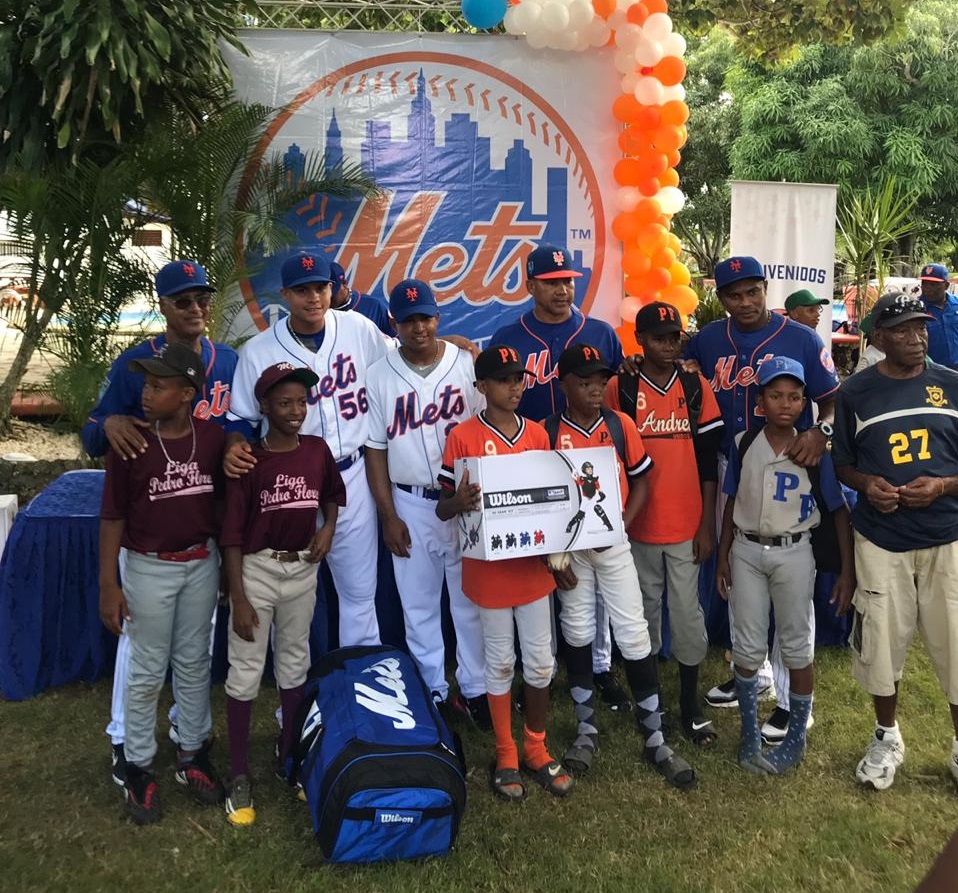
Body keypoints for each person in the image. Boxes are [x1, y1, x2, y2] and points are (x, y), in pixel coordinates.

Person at [83, 259, 237, 788]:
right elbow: (93, 434)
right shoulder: (138, 362)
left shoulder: (231, 361)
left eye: (202, 299)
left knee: (195, 655)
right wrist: (112, 421)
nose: (196, 309)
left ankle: (190, 743)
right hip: (148, 544)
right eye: (183, 301)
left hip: (201, 541)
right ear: (164, 306)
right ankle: (129, 747)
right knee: (143, 655)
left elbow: (245, 430)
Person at [686, 255, 839, 743]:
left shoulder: (801, 336)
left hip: (792, 456)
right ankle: (752, 669)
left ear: (765, 289)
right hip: (736, 458)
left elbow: (832, 400)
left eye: (753, 291)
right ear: (721, 298)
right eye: (734, 294)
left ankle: (791, 694)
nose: (745, 302)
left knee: (790, 574)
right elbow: (678, 366)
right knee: (741, 564)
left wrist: (822, 432)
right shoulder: (709, 339)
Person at [545, 343, 696, 789]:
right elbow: (541, 499)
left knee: (632, 630)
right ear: (564, 384)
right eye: (584, 381)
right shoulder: (548, 430)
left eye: (600, 381)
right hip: (571, 550)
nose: (595, 389)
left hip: (612, 545)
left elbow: (642, 482)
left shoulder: (619, 423)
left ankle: (654, 734)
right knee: (576, 628)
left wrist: (620, 527)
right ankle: (586, 729)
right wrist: (553, 555)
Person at [225, 251, 389, 649]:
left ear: (332, 289)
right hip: (288, 482)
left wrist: (448, 345)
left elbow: (400, 364)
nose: (313, 297)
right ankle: (293, 694)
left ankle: (358, 682)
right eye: (302, 291)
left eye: (321, 287)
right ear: (285, 295)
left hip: (351, 475)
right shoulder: (259, 350)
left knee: (359, 593)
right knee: (289, 595)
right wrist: (233, 445)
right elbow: (240, 419)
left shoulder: (360, 329)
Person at [491, 243, 628, 709]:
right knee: (541, 568)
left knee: (593, 564)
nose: (563, 289)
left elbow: (616, 402)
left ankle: (601, 666)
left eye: (568, 280)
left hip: (590, 461)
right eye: (551, 283)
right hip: (533, 460)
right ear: (530, 286)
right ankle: (542, 665)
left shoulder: (602, 333)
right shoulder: (510, 335)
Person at [832, 292, 958, 792]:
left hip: (947, 536)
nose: (917, 336)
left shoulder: (952, 385)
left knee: (954, 641)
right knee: (881, 643)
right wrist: (867, 486)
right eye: (903, 329)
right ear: (878, 338)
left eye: (921, 327)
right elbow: (842, 461)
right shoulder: (856, 392)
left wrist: (944, 486)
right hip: (882, 538)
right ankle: (887, 736)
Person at [437, 345, 573, 801]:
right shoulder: (462, 437)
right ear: (482, 387)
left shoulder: (536, 434)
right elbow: (442, 506)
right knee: (499, 661)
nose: (515, 387)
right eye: (504, 380)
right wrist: (461, 502)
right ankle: (505, 750)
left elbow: (551, 504)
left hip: (531, 568)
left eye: (519, 379)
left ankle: (536, 745)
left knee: (539, 661)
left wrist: (559, 557)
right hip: (490, 570)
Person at [98, 343, 226, 824]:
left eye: (158, 386)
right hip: (149, 565)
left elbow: (223, 503)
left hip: (201, 561)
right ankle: (136, 764)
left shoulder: (212, 440)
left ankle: (192, 752)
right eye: (146, 385)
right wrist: (108, 585)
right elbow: (112, 517)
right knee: (148, 667)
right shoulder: (131, 441)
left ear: (187, 393)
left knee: (195, 661)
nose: (146, 394)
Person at [218, 363, 346, 826]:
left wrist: (328, 527)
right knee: (247, 669)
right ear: (265, 407)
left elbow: (332, 492)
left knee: (294, 663)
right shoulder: (250, 459)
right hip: (256, 570)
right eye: (285, 403)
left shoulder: (315, 449)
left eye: (301, 402)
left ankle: (289, 757)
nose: (295, 411)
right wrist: (239, 596)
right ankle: (238, 773)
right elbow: (231, 535)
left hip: (302, 569)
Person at [716, 356, 853, 774]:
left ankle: (795, 737)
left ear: (805, 403)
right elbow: (732, 501)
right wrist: (722, 554)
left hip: (795, 551)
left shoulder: (813, 449)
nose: (785, 404)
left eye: (795, 397)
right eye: (776, 395)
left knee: (796, 643)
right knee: (748, 644)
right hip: (746, 550)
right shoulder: (744, 442)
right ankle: (749, 733)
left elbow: (839, 510)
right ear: (761, 401)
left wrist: (847, 572)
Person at [364, 279, 489, 727]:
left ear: (438, 318)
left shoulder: (466, 363)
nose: (419, 326)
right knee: (417, 606)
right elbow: (375, 449)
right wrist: (388, 515)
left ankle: (475, 689)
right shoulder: (377, 375)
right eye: (409, 319)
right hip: (411, 501)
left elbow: (486, 428)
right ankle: (434, 689)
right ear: (394, 323)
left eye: (426, 317)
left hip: (464, 497)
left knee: (469, 601)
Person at [607, 302, 724, 746]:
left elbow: (709, 460)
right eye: (658, 337)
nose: (668, 345)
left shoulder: (694, 384)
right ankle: (650, 703)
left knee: (688, 615)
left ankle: (691, 705)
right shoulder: (623, 384)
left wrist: (706, 524)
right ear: (640, 341)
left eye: (674, 337)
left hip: (685, 521)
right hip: (637, 524)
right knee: (644, 615)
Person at [330, 261, 394, 336]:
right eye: (322, 291)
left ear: (344, 283)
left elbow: (396, 341)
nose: (328, 296)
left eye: (332, 292)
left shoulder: (374, 307)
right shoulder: (320, 312)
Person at [917, 263, 958, 370]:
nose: (927, 288)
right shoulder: (916, 310)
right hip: (932, 371)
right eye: (924, 283)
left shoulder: (956, 304)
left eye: (933, 284)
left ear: (946, 285)